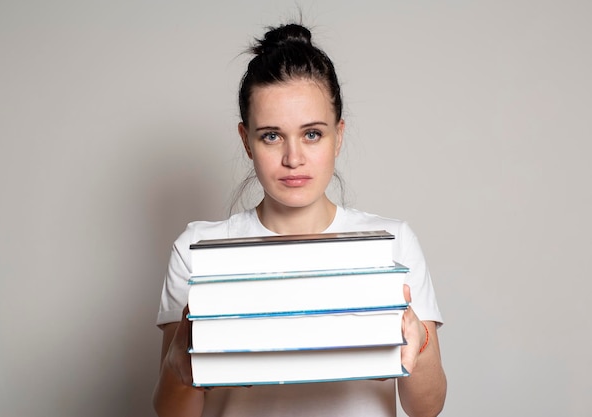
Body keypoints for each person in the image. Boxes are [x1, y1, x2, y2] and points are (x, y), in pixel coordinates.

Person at [153, 22, 447, 417]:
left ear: (338, 135)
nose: (293, 158)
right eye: (272, 136)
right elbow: (174, 414)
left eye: (312, 134)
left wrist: (417, 337)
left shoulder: (390, 243)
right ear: (246, 140)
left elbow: (426, 408)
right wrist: (178, 362)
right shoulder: (198, 251)